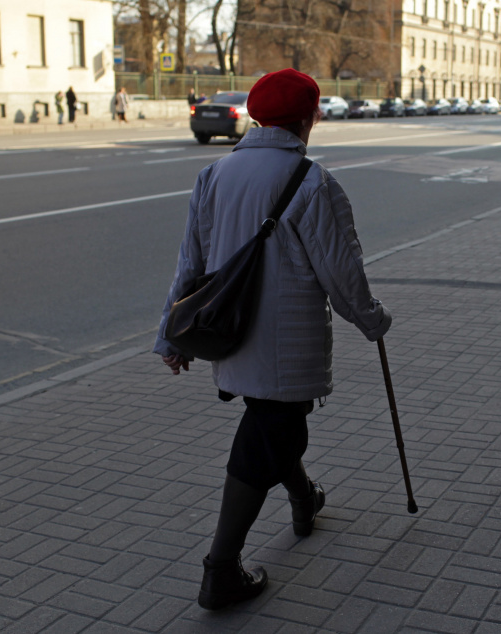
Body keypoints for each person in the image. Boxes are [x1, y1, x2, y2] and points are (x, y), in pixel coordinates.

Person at [153, 68, 391, 611]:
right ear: (309, 119)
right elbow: (342, 274)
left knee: (273, 426)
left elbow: (190, 263)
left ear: (256, 116)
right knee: (270, 433)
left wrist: (172, 337)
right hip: (286, 345)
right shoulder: (312, 181)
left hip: (229, 334)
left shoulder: (214, 173)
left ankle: (305, 498)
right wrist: (372, 321)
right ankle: (221, 570)